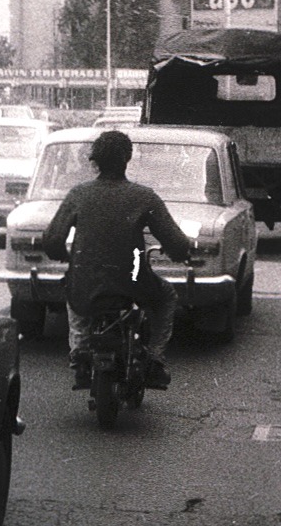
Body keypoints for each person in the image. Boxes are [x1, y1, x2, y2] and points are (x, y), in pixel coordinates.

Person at [43, 130, 194, 391]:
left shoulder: (78, 194)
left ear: (95, 160)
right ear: (128, 158)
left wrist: (64, 257)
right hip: (133, 280)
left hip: (85, 282)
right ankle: (155, 359)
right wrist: (182, 252)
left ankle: (79, 352)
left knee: (73, 291)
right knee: (166, 296)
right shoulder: (145, 197)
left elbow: (53, 241)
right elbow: (178, 244)